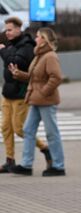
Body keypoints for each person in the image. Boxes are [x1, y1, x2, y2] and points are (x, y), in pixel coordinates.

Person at [9, 27, 65, 176]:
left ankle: (58, 166)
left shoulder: (50, 56)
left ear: (44, 40)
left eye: (38, 37)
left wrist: (44, 92)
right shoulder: (39, 55)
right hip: (35, 100)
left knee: (51, 133)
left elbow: (56, 77)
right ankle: (26, 165)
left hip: (46, 101)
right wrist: (19, 74)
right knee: (28, 130)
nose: (35, 39)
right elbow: (35, 77)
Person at [0, 17, 51, 173]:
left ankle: (45, 148)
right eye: (5, 30)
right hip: (8, 93)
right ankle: (10, 160)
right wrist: (6, 50)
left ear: (18, 29)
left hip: (20, 95)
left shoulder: (26, 46)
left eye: (9, 30)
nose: (6, 33)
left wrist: (3, 51)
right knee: (5, 128)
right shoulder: (12, 45)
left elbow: (15, 63)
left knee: (20, 129)